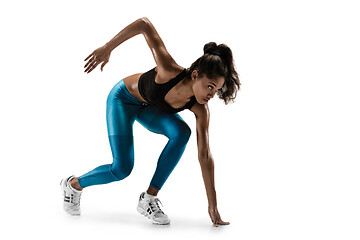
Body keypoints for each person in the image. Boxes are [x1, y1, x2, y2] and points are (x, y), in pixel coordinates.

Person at [60, 17, 240, 227]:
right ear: (195, 74)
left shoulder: (200, 108)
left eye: (216, 90)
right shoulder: (168, 69)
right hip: (123, 100)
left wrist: (213, 206)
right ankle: (72, 185)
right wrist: (108, 48)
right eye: (209, 86)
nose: (212, 94)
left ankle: (149, 199)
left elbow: (205, 156)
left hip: (149, 108)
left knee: (182, 133)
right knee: (121, 169)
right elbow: (144, 24)